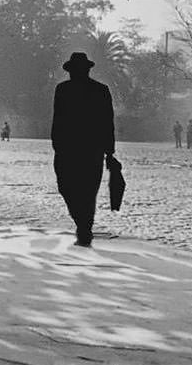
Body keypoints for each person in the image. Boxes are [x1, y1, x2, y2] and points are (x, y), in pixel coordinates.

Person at [51, 52, 115, 247]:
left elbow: (58, 120)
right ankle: (84, 224)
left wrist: (57, 144)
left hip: (74, 148)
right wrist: (109, 150)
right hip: (88, 149)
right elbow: (108, 123)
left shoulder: (64, 90)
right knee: (85, 190)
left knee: (72, 188)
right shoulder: (99, 90)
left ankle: (84, 227)